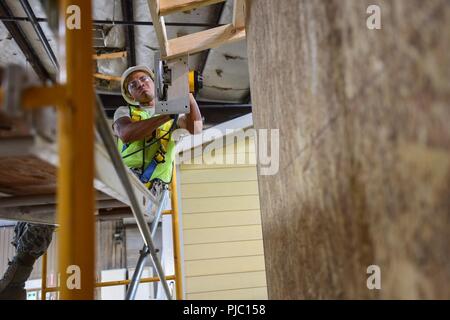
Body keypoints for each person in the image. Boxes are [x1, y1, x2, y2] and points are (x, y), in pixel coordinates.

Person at [0, 64, 202, 300]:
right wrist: (168, 112)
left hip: (148, 187)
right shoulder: (124, 113)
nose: (140, 85)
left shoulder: (173, 118)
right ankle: (17, 277)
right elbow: (127, 133)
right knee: (55, 196)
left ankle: (16, 277)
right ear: (131, 95)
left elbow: (196, 128)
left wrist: (185, 93)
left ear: (155, 84)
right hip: (119, 178)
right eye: (133, 85)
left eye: (144, 79)